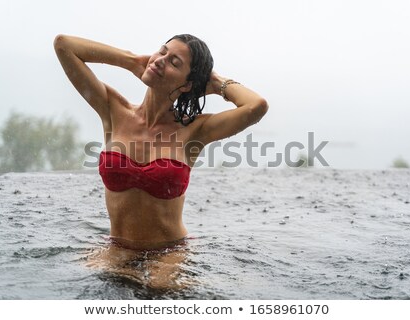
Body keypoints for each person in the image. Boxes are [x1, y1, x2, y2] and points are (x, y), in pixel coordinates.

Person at [54, 33, 268, 274]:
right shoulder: (113, 109)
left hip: (170, 252)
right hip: (116, 247)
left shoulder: (194, 131)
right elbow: (64, 45)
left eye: (174, 62)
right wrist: (132, 61)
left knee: (159, 288)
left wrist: (217, 83)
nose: (160, 60)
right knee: (79, 278)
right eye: (162, 51)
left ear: (186, 85)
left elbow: (256, 106)